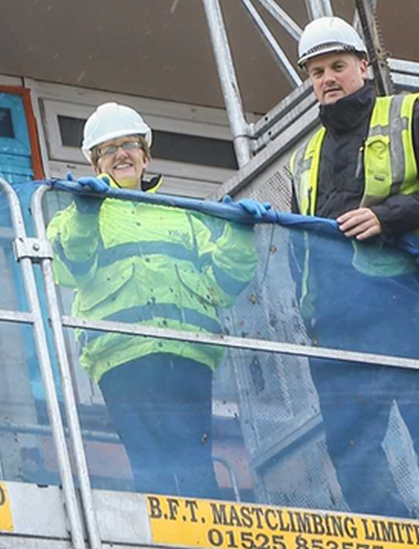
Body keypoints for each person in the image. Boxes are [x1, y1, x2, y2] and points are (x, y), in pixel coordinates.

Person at [288, 17, 419, 520]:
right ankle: (387, 525)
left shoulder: (404, 114)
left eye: (337, 66)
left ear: (363, 67)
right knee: (350, 439)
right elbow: (295, 244)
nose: (327, 79)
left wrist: (386, 216)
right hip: (334, 318)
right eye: (316, 72)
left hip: (402, 298)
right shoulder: (305, 155)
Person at [46, 102, 264, 499]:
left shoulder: (183, 216)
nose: (120, 155)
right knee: (151, 466)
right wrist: (84, 214)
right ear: (96, 165)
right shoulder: (74, 215)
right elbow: (74, 267)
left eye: (128, 144)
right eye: (108, 150)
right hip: (123, 356)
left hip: (187, 356)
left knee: (196, 466)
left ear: (146, 155)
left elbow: (223, 287)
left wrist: (239, 235)